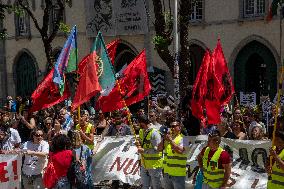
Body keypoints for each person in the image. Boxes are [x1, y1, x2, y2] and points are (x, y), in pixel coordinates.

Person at [136, 115, 163, 189]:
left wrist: (144, 151)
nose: (138, 125)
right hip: (144, 164)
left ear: (143, 123)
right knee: (145, 186)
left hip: (154, 165)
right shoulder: (141, 131)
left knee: (156, 186)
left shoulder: (154, 132)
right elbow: (142, 145)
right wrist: (138, 144)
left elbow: (158, 149)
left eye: (139, 123)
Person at [163, 121, 189, 189]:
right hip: (167, 173)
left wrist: (171, 141)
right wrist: (163, 139)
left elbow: (182, 151)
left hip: (178, 174)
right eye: (171, 126)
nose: (172, 128)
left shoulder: (185, 139)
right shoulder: (168, 139)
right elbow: (159, 149)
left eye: (174, 126)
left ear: (179, 127)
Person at [267, 118, 284, 189]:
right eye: (274, 139)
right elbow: (268, 165)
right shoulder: (273, 149)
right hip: (271, 186)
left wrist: (276, 156)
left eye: (277, 140)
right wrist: (267, 168)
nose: (274, 141)